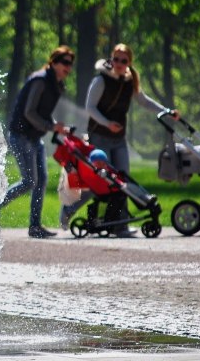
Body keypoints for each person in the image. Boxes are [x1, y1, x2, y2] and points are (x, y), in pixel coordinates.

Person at [59, 43, 178, 237]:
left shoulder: (130, 81)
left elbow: (144, 101)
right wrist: (107, 123)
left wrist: (166, 112)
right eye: (116, 59)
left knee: (122, 181)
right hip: (100, 137)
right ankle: (69, 209)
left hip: (118, 139)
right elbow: (90, 107)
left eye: (124, 60)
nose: (119, 63)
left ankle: (119, 224)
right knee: (99, 180)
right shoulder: (101, 80)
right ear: (111, 59)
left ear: (129, 62)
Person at [0, 46, 74, 239]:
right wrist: (51, 127)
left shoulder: (55, 84)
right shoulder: (40, 81)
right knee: (29, 181)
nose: (68, 67)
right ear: (54, 62)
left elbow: (42, 114)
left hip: (34, 137)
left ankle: (35, 226)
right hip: (20, 135)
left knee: (40, 181)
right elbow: (29, 112)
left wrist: (56, 126)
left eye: (70, 64)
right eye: (65, 62)